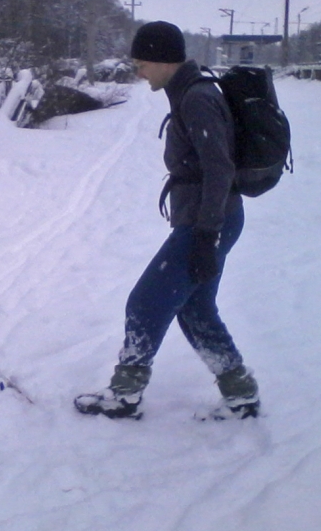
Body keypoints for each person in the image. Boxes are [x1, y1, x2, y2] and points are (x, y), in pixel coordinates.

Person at [74, 21, 260, 421]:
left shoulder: (197, 98)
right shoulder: (190, 92)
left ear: (163, 61)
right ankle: (241, 394)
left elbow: (219, 169)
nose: (139, 71)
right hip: (211, 218)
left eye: (141, 63)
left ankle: (124, 395)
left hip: (208, 222)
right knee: (196, 309)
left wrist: (205, 236)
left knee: (145, 303)